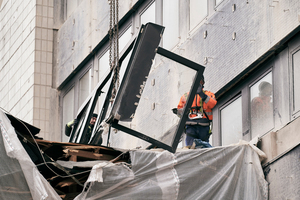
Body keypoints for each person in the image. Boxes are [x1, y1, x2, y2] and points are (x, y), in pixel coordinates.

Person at [177, 76, 217, 148]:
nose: (198, 83)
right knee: (190, 148)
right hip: (191, 126)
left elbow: (213, 104)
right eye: (196, 81)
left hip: (204, 126)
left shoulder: (208, 94)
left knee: (203, 149)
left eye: (200, 81)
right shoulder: (186, 96)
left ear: (203, 82)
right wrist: (179, 111)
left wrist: (202, 95)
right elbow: (180, 112)